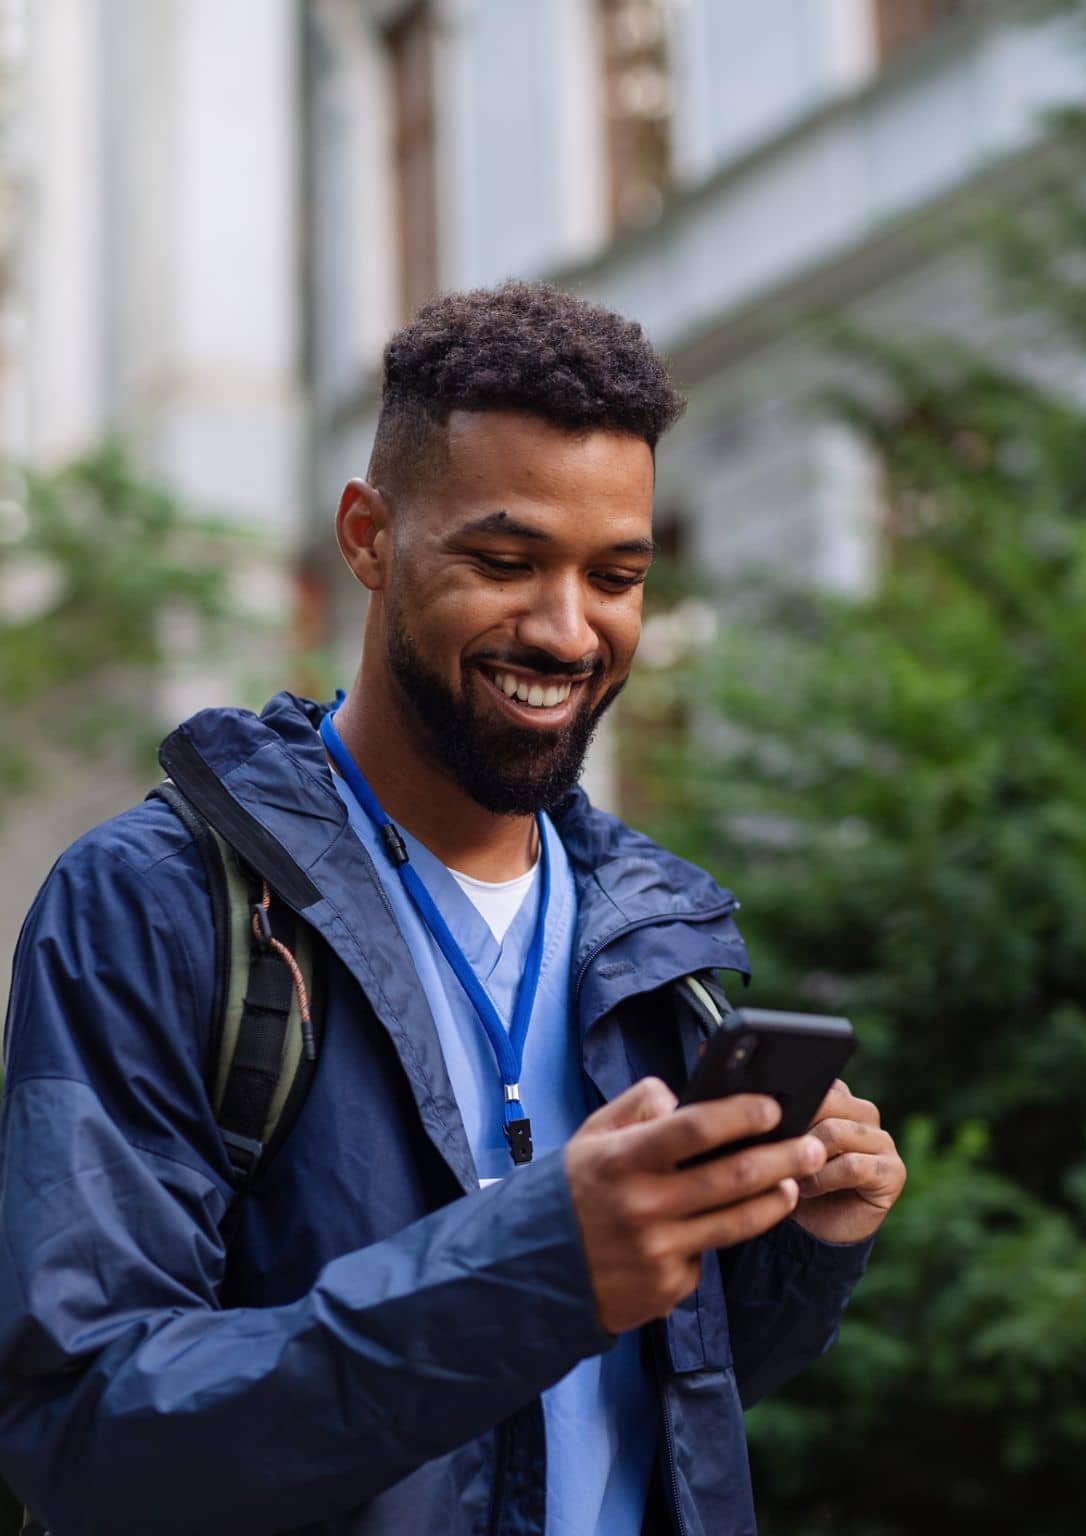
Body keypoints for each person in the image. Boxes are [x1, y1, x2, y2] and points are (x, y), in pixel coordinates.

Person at [0, 282, 906, 1536]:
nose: (567, 629)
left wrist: (797, 1248)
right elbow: (90, 1434)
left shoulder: (649, 934)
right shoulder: (155, 906)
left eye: (618, 575)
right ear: (368, 537)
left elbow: (628, 1404)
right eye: (504, 560)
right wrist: (536, 1269)